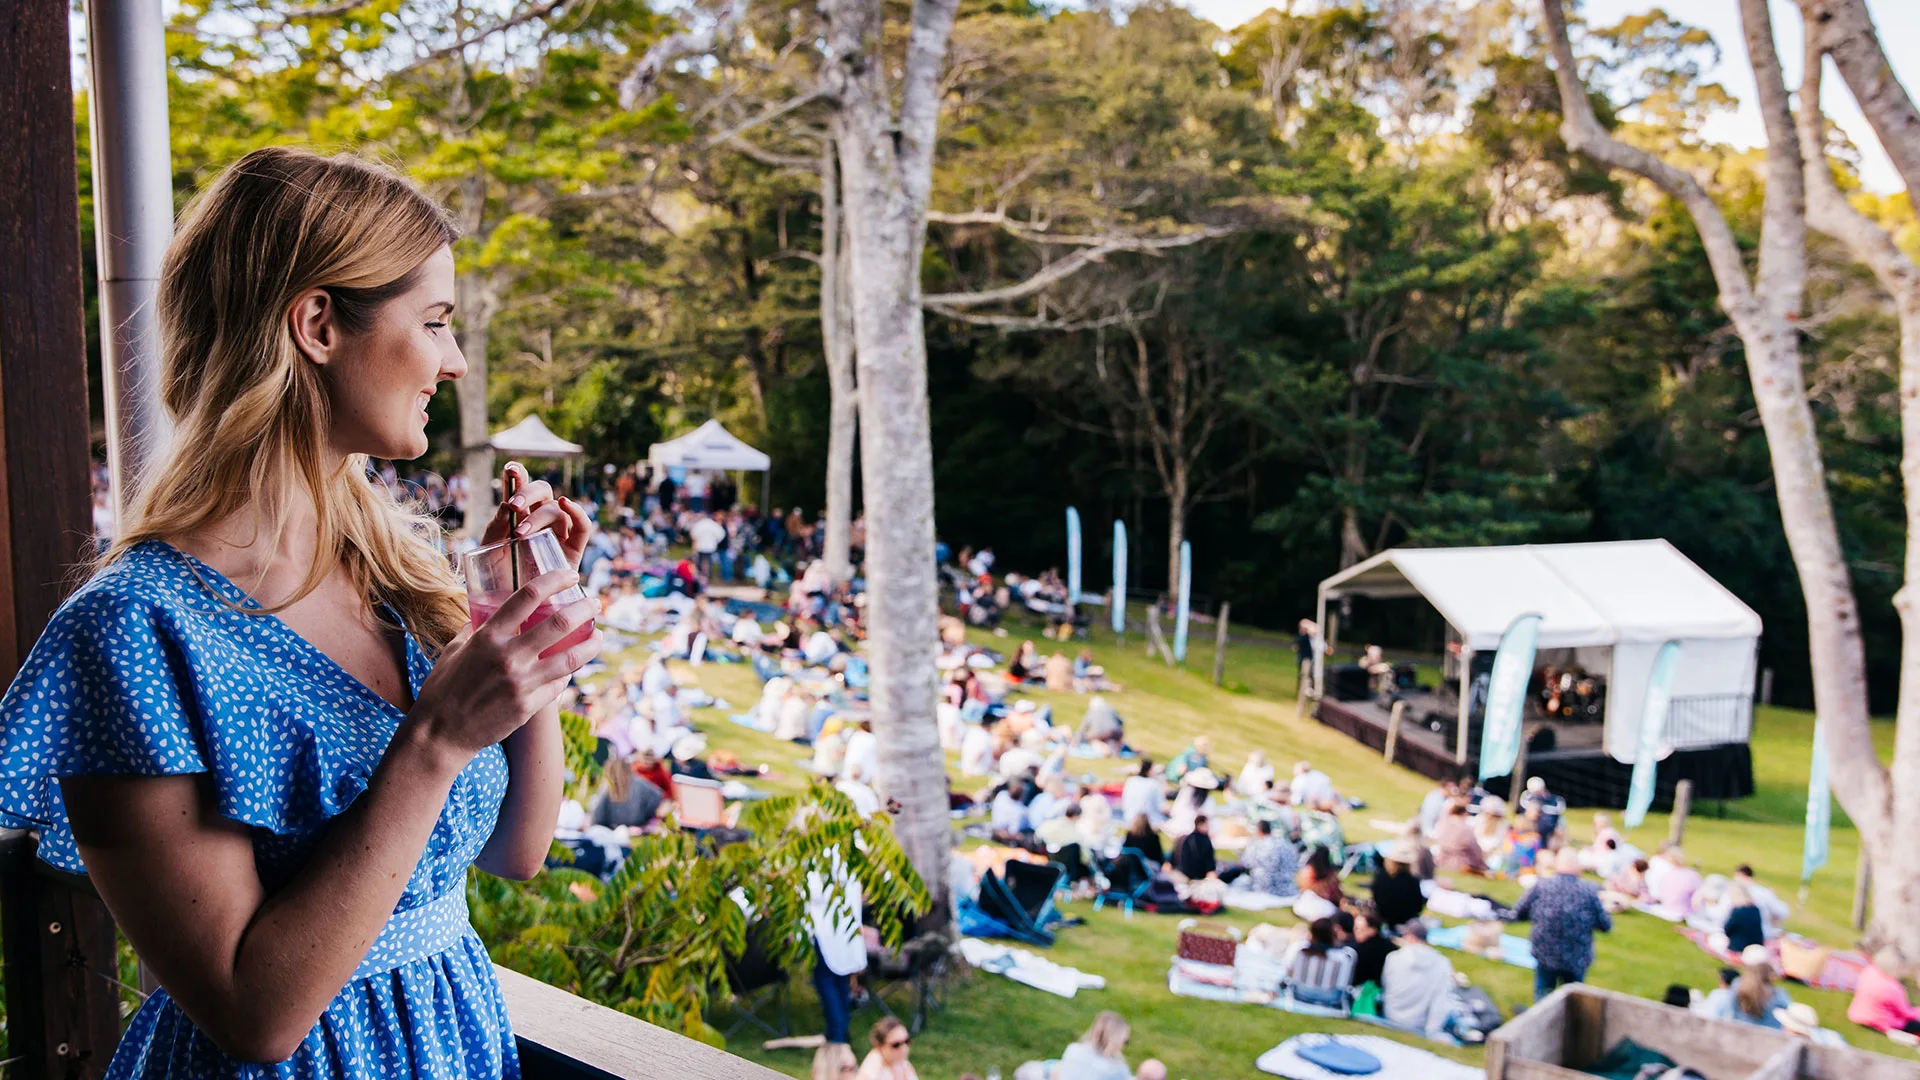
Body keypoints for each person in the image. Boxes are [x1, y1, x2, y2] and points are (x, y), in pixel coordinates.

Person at [0, 148, 605, 1076]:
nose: (452, 361)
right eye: (436, 323)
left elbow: (518, 848)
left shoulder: (396, 575)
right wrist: (434, 740)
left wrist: (518, 621)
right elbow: (255, 1014)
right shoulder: (131, 634)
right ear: (318, 323)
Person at [1511, 848, 1613, 1000]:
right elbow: (1605, 925)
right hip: (1576, 957)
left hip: (1545, 953)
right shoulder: (1589, 891)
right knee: (1574, 1001)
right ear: (1578, 867)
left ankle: (1542, 1019)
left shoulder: (1541, 886)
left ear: (1557, 865)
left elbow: (1518, 913)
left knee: (1543, 996)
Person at [1381, 921, 1459, 1038]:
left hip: (1390, 1017)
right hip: (1418, 1025)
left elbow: (1385, 985)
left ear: (1411, 937)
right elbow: (1440, 1001)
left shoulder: (1393, 958)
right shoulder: (1442, 963)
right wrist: (1432, 1031)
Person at [1281, 917, 1356, 1008]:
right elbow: (1344, 984)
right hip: (1331, 998)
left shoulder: (1300, 949)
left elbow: (1287, 970)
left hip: (1301, 994)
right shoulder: (1345, 956)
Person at [1712, 945, 1790, 1029]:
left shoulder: (1737, 986)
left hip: (1733, 1034)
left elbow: (1727, 1014)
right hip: (1767, 1039)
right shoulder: (1779, 996)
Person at [591, 753, 667, 832]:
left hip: (617, 829)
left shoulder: (607, 787)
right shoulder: (640, 783)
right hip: (637, 828)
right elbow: (659, 801)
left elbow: (597, 818)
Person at [1054, 1011, 1132, 1080]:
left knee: (1055, 1065)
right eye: (1125, 1041)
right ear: (1116, 1041)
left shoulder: (1073, 1049)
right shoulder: (1118, 1070)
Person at [1849, 960, 1920, 1034]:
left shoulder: (1871, 970)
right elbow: (1907, 1014)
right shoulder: (1894, 989)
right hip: (1880, 1021)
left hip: (1857, 1013)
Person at [1369, 842, 1427, 929]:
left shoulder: (1381, 875)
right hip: (1405, 920)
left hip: (1383, 916)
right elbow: (1418, 905)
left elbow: (1374, 896)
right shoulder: (1412, 881)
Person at [1240, 819, 1300, 898]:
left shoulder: (1256, 845)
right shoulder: (1285, 843)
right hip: (1287, 888)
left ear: (1258, 831)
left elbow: (1245, 863)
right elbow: (1295, 864)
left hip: (1264, 888)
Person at [1732, 864, 1791, 938]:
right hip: (1763, 934)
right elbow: (1782, 912)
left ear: (1742, 875)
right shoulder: (1764, 892)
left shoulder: (1731, 892)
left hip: (1738, 936)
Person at [1433, 801, 1489, 875]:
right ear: (1464, 814)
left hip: (1441, 860)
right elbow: (1476, 851)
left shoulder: (1443, 825)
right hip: (1460, 864)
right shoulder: (1465, 830)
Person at [1349, 908, 1397, 989]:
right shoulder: (1390, 946)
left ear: (1372, 930)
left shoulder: (1358, 950)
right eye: (1355, 928)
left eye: (1359, 929)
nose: (1355, 932)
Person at [1120, 759, 1166, 828]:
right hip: (1150, 821)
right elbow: (1162, 807)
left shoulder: (1131, 781)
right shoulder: (1154, 784)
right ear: (1149, 770)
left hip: (1128, 817)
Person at [1721, 884, 1766, 955]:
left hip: (1738, 946)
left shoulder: (1737, 910)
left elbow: (1727, 928)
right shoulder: (1755, 909)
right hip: (1755, 943)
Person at [1172, 815, 1218, 881]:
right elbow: (1209, 859)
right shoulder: (1205, 840)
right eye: (1206, 825)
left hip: (1184, 873)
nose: (1208, 828)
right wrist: (1211, 870)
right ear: (1200, 825)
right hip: (1200, 875)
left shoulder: (1188, 838)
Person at [1519, 776, 1565, 842]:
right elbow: (1525, 805)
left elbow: (1559, 809)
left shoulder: (1555, 800)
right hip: (1533, 828)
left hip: (1549, 828)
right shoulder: (1527, 796)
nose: (1536, 794)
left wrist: (1541, 808)